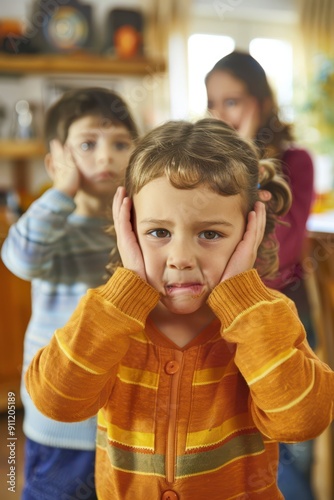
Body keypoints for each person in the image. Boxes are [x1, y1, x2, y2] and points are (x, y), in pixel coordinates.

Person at [25, 118, 334, 500]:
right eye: (159, 233)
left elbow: (302, 421)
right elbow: (55, 401)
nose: (181, 258)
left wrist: (242, 298)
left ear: (250, 230)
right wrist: (126, 291)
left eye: (210, 234)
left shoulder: (265, 319)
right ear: (129, 227)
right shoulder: (110, 319)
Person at [1, 87, 139, 499]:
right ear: (56, 160)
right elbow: (20, 259)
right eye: (87, 144)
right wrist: (61, 189)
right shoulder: (51, 228)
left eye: (120, 144)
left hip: (123, 420)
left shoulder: (138, 231)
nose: (105, 157)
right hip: (59, 422)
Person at [205, 51, 317, 499]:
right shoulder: (212, 168)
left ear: (262, 101)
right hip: (225, 318)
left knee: (289, 435)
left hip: (281, 314)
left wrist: (247, 158)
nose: (220, 114)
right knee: (237, 436)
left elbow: (278, 252)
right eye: (213, 103)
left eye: (232, 101)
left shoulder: (298, 162)